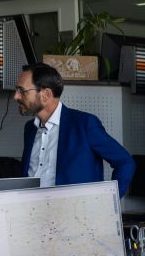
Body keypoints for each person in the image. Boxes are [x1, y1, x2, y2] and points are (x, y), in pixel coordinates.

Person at [17, 63, 137, 195]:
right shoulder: (30, 128)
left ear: (46, 94)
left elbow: (125, 162)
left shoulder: (85, 124)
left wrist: (110, 200)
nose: (16, 96)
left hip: (72, 208)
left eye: (22, 91)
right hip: (30, 206)